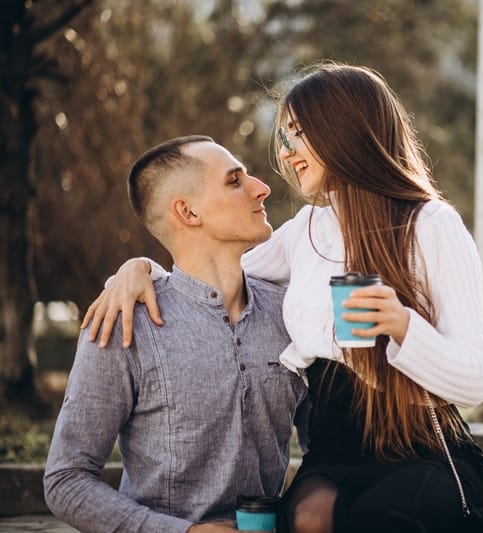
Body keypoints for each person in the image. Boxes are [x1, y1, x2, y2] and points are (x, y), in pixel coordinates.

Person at [82, 63, 483, 533]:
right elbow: (213, 272)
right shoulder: (306, 231)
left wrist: (402, 325)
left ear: (344, 129)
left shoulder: (432, 225)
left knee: (379, 520)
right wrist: (138, 270)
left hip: (421, 442)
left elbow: (473, 382)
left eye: (298, 134)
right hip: (336, 444)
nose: (286, 151)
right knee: (302, 521)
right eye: (284, 137)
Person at [44, 135, 307, 533]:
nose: (261, 187)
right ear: (187, 211)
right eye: (234, 181)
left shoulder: (290, 312)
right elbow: (66, 480)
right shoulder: (125, 322)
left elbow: (325, 450)